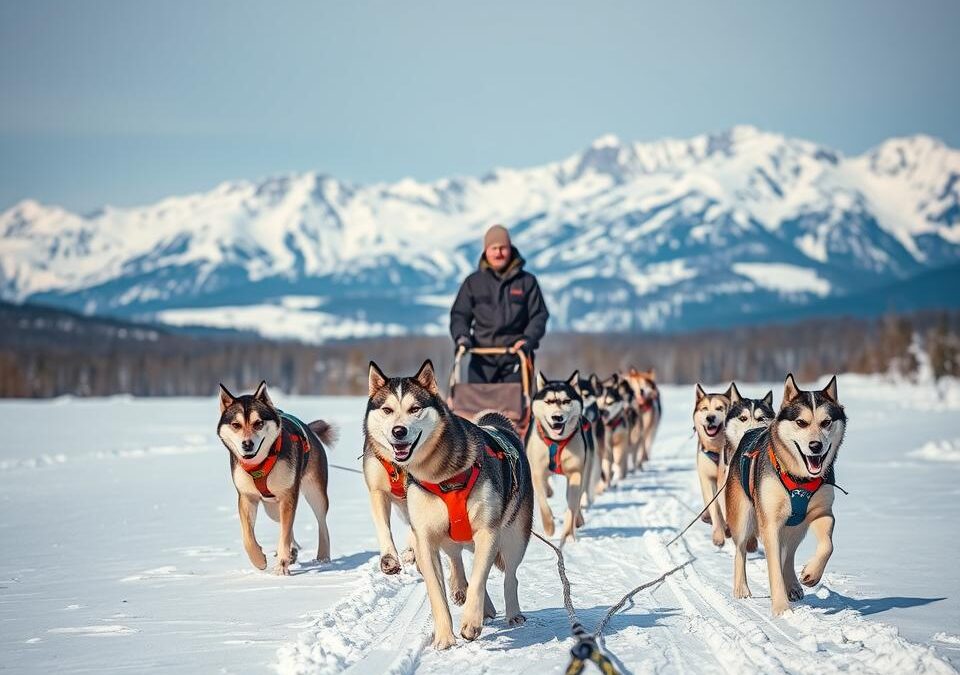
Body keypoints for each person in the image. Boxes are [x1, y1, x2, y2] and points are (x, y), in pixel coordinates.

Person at [450, 225, 549, 384]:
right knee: (476, 408)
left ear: (510, 249)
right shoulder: (473, 283)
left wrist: (527, 340)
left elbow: (539, 315)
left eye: (503, 248)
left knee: (514, 407)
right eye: (493, 248)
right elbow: (459, 315)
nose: (498, 253)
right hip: (481, 359)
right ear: (486, 251)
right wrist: (462, 337)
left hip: (516, 358)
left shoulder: (527, 282)